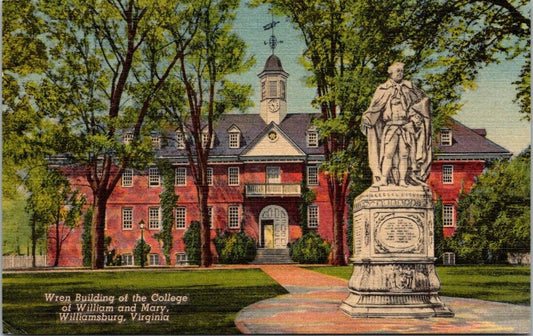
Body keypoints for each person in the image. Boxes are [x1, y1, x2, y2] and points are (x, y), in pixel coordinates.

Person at [361, 62, 432, 187]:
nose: (400, 73)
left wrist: (415, 117)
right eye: (398, 71)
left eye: (402, 71)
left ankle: (402, 180)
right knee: (388, 153)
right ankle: (383, 179)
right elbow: (375, 108)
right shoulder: (383, 89)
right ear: (391, 72)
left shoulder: (409, 88)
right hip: (391, 126)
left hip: (406, 127)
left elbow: (418, 104)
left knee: (404, 155)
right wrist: (368, 117)